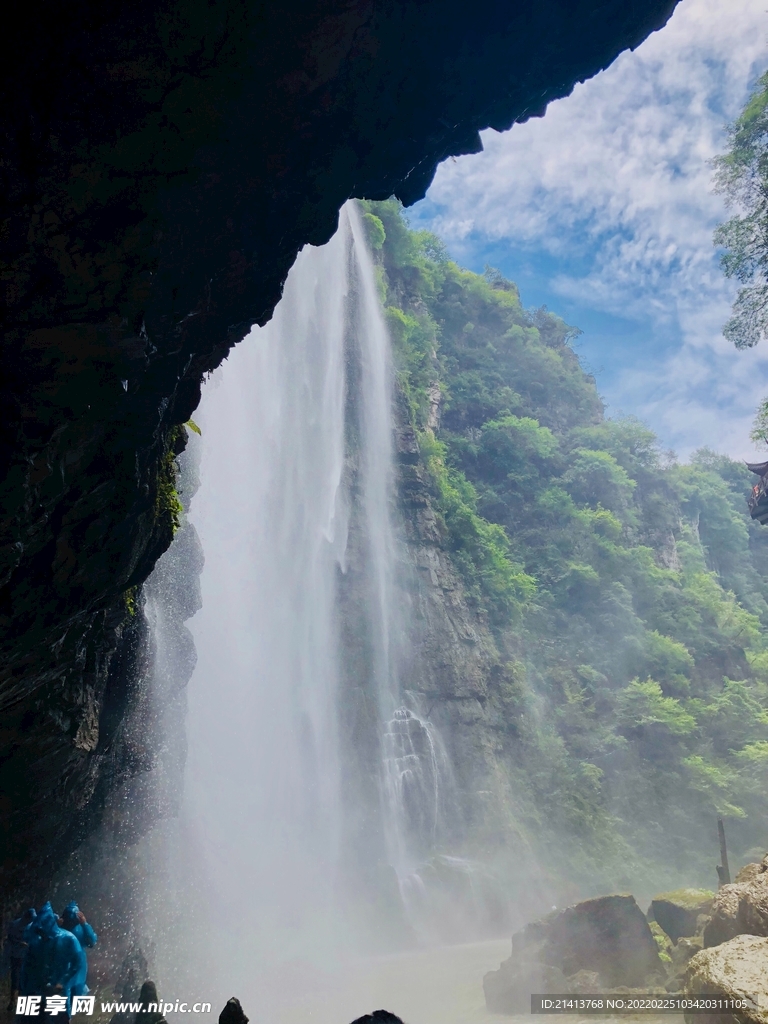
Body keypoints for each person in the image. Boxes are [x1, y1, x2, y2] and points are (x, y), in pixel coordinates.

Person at [20, 903, 85, 1020]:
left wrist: (62, 982)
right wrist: (25, 987)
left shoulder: (68, 939)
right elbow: (28, 965)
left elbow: (78, 962)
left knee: (59, 1019)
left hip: (58, 991)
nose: (40, 933)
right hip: (37, 990)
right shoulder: (37, 941)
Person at [59, 903, 96, 996]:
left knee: (76, 989)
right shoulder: (60, 928)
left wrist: (85, 924)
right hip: (64, 961)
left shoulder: (81, 928)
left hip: (78, 962)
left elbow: (92, 942)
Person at [5, 908, 36, 1011]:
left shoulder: (31, 925)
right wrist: (19, 943)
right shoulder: (15, 924)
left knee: (23, 979)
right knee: (16, 978)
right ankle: (13, 1002)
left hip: (25, 956)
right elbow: (9, 937)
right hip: (16, 955)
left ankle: (21, 1003)